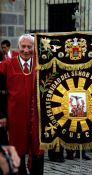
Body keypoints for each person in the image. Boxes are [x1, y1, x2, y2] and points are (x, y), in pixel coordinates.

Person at [0, 34, 44, 175]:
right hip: (15, 117)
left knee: (38, 149)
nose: (26, 50)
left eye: (29, 47)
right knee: (17, 149)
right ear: (18, 48)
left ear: (34, 48)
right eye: (23, 46)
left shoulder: (41, 66)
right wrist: (2, 115)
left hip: (36, 118)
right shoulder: (6, 65)